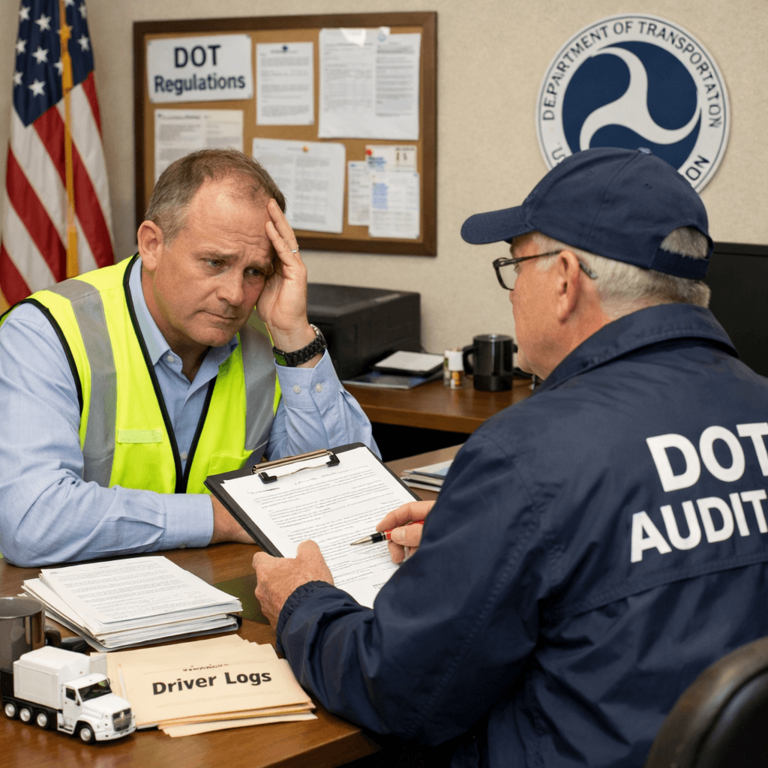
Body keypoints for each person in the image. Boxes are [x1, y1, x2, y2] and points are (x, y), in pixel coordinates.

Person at [252, 147, 768, 767]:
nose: (512, 290)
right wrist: (481, 534)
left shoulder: (528, 454)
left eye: (514, 265)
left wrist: (303, 601)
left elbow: (396, 689)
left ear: (565, 279)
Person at [0, 149, 376, 567]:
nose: (235, 295)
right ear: (152, 244)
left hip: (215, 592)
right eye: (215, 262)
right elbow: (32, 522)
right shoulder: (47, 333)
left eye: (255, 272)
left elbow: (351, 496)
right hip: (69, 605)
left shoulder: (267, 344)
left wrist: (294, 336)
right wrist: (222, 516)